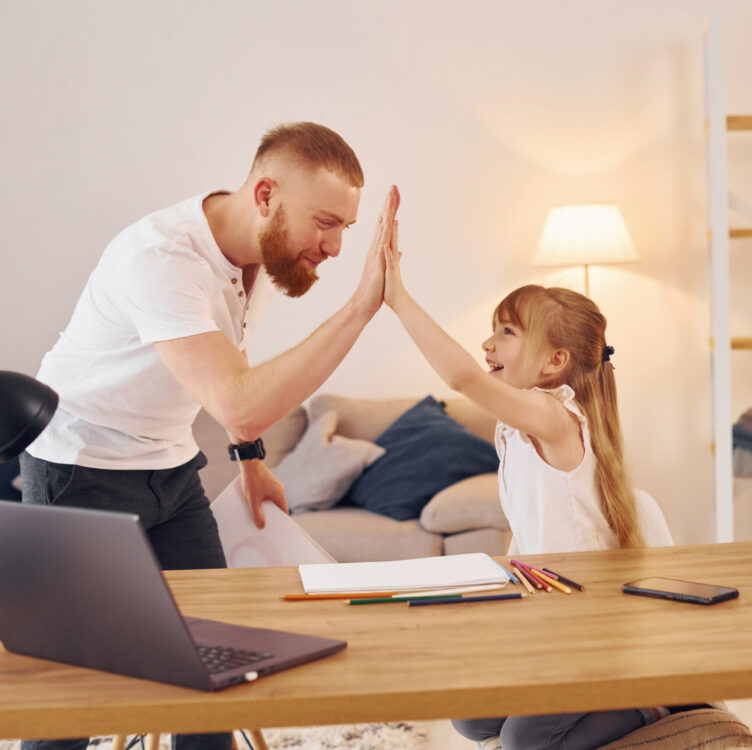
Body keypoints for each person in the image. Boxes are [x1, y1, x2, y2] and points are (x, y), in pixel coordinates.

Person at [20, 122, 399, 750]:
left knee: (214, 669)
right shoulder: (162, 258)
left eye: (346, 230)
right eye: (325, 222)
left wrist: (251, 462)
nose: (334, 246)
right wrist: (360, 307)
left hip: (170, 470)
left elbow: (229, 370)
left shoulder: (258, 258)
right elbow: (239, 402)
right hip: (78, 469)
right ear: (266, 196)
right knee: (75, 696)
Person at [381, 229, 670, 750]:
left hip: (592, 633)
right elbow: (531, 529)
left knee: (519, 744)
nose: (489, 344)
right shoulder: (518, 429)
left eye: (507, 333)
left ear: (553, 362)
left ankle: (646, 704)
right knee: (470, 720)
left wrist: (398, 299)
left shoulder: (555, 417)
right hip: (550, 625)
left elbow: (464, 378)